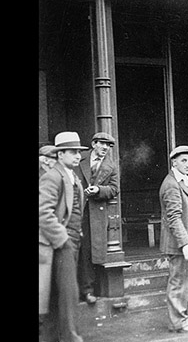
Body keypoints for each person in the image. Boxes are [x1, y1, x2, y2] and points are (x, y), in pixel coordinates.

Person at [39, 131, 90, 342]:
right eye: (73, 152)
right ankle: (70, 337)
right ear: (60, 154)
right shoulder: (53, 176)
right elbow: (43, 211)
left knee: (59, 294)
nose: (78, 156)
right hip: (60, 243)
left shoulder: (70, 175)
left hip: (72, 240)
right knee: (68, 293)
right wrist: (63, 240)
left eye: (79, 152)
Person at [158, 145, 188, 333]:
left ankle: (182, 318)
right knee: (178, 282)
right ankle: (178, 322)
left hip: (186, 241)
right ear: (173, 162)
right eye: (183, 160)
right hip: (179, 243)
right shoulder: (172, 184)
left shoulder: (183, 181)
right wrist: (185, 243)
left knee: (183, 281)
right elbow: (173, 217)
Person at [75, 132, 119, 305]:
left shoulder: (111, 166)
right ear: (94, 144)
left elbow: (114, 189)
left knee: (89, 251)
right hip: (75, 209)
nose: (105, 148)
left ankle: (88, 290)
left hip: (95, 213)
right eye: (102, 144)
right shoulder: (80, 157)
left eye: (108, 146)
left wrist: (99, 190)